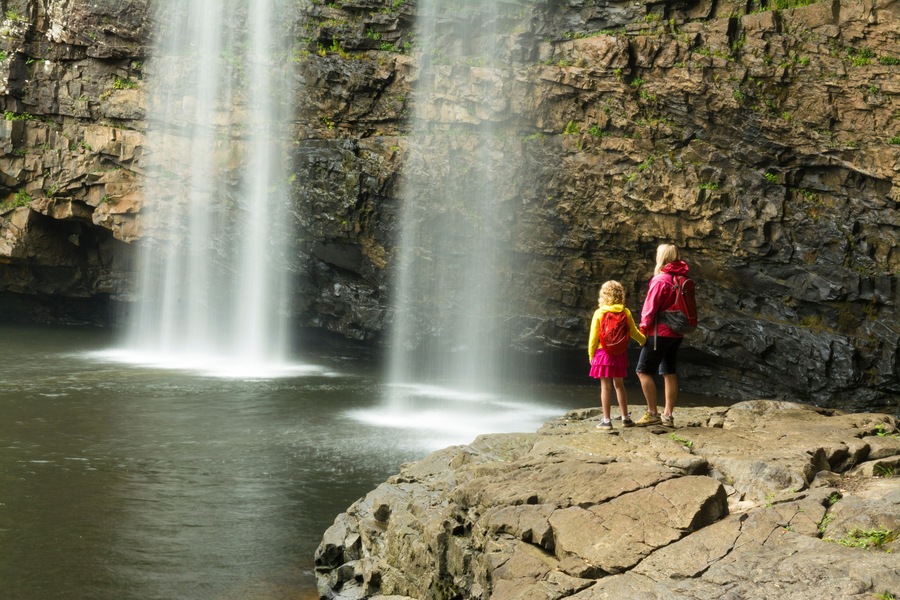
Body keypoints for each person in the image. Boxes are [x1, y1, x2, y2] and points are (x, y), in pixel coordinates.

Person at [634, 243, 690, 428]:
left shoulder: (661, 280)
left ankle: (652, 413)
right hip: (677, 332)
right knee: (669, 372)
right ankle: (668, 416)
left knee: (642, 371)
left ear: (662, 257)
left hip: (659, 333)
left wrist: (643, 327)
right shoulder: (681, 278)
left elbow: (650, 308)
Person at [588, 280, 646, 430]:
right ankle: (625, 418)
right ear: (621, 295)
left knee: (605, 387)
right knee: (619, 386)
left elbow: (593, 338)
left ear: (603, 295)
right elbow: (633, 332)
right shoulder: (625, 312)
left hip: (603, 354)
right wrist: (643, 340)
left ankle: (606, 421)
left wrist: (591, 355)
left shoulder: (599, 313)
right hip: (619, 354)